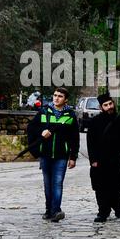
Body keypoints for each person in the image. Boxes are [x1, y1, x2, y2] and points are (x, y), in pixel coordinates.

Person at [27, 87, 79, 222]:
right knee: (47, 183)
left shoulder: (70, 115)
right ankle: (48, 210)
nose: (56, 98)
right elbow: (31, 128)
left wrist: (73, 157)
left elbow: (75, 137)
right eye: (55, 95)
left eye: (60, 96)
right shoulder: (44, 111)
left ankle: (56, 210)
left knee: (57, 183)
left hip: (61, 155)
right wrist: (41, 132)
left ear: (65, 99)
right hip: (45, 154)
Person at [86, 92, 120, 223]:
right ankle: (103, 211)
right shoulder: (95, 122)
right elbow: (90, 142)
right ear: (101, 107)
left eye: (110, 104)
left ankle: (116, 204)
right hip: (100, 160)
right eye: (106, 105)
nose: (109, 107)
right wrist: (93, 160)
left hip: (117, 159)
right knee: (100, 187)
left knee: (119, 186)